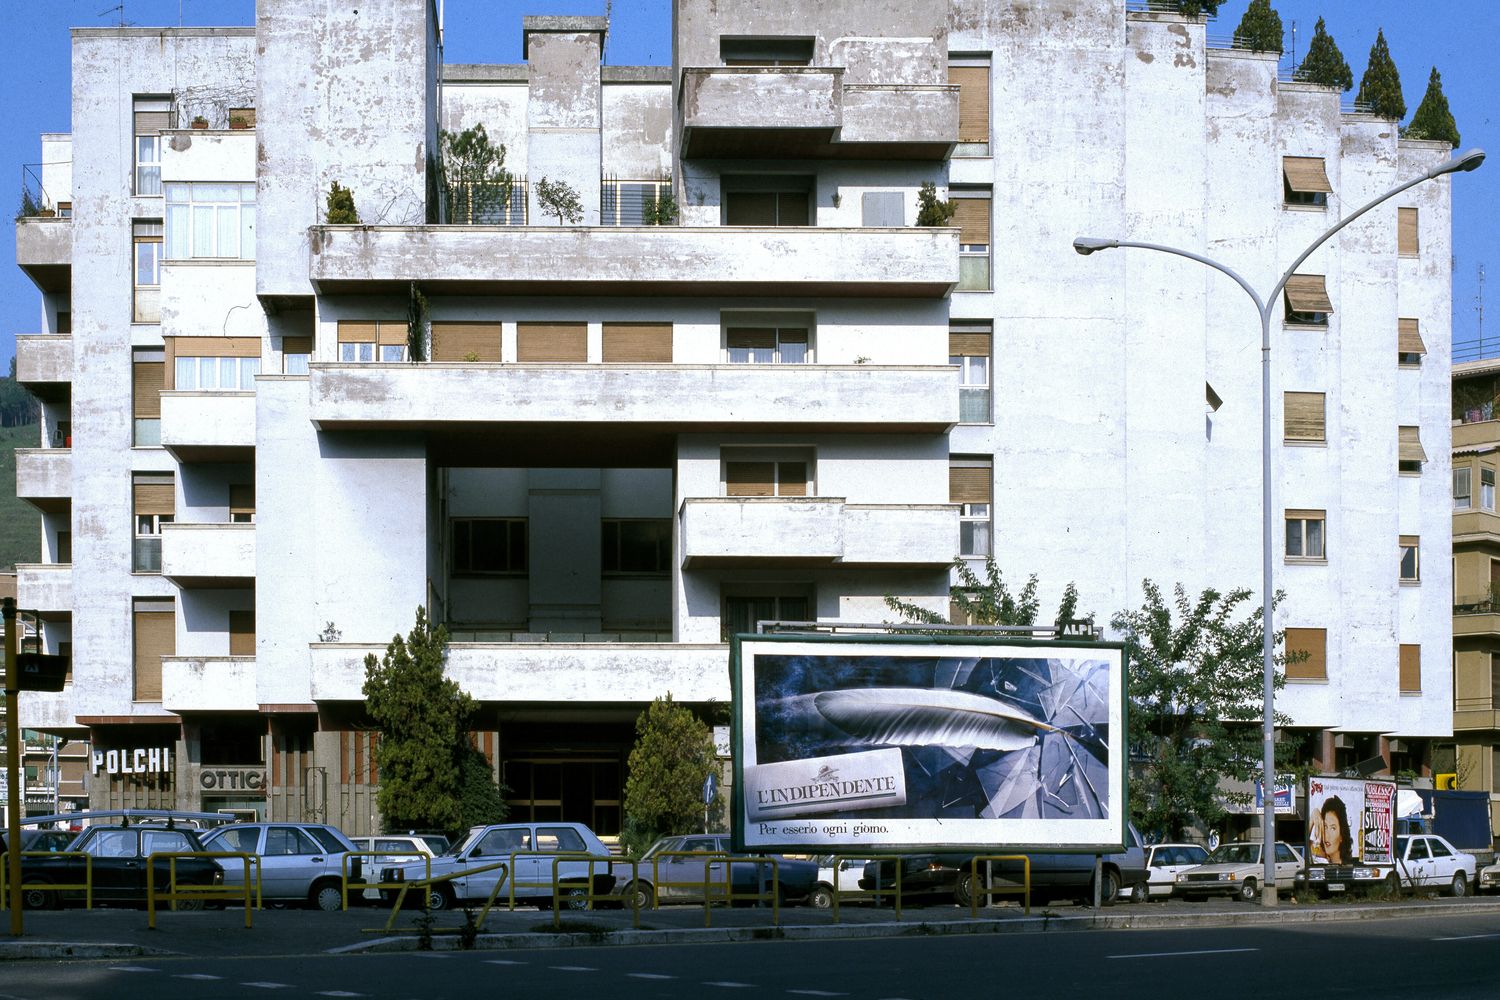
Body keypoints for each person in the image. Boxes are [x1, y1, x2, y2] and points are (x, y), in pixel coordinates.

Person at [1315, 795, 1354, 864]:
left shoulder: (1348, 866)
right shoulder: (1321, 858)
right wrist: (1314, 813)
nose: (1327, 835)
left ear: (1341, 835)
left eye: (1333, 828)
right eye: (1325, 827)